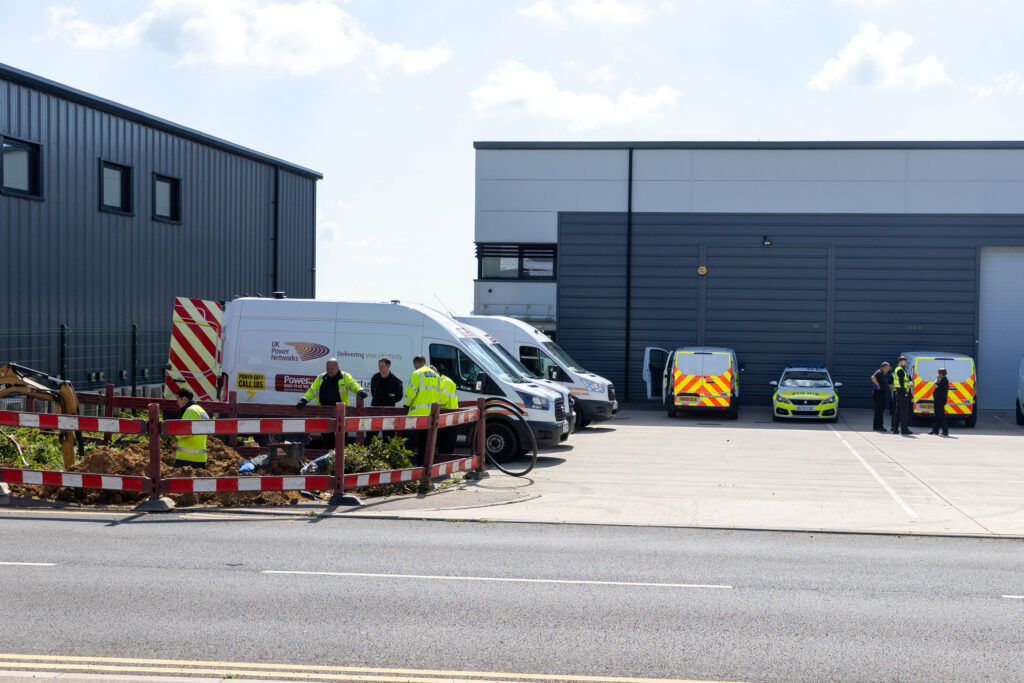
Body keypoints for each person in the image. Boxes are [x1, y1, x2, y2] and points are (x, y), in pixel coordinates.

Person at [296, 358, 368, 448]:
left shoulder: (344, 376)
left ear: (337, 367)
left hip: (341, 414)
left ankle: (340, 461)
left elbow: (353, 384)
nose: (329, 371)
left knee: (341, 442)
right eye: (328, 368)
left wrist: (359, 390)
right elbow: (312, 391)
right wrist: (304, 400)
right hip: (325, 414)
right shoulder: (321, 377)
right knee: (327, 441)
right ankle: (329, 461)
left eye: (332, 369)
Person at [403, 355, 443, 465]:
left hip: (416, 415)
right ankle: (422, 471)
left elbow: (410, 393)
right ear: (425, 362)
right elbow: (438, 394)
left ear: (416, 364)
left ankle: (404, 469)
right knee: (424, 446)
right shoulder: (436, 375)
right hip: (430, 416)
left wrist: (407, 404)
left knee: (408, 445)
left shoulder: (417, 373)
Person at [369, 356, 403, 442]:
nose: (380, 368)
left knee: (388, 438)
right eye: (379, 366)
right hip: (375, 411)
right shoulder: (375, 378)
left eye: (382, 366)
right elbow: (373, 392)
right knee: (371, 437)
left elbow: (399, 396)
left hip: (389, 412)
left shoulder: (396, 381)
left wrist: (389, 401)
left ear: (388, 366)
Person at [173, 388, 209, 468]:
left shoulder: (190, 410)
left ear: (184, 399)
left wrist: (175, 432)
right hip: (201, 458)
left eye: (178, 400)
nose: (177, 403)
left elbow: (184, 433)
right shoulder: (202, 411)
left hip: (186, 457)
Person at [433, 365, 460, 455]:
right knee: (444, 443)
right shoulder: (443, 381)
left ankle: (445, 463)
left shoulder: (445, 382)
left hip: (449, 416)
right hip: (447, 416)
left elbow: (442, 399)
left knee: (447, 443)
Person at [891, 356, 913, 435]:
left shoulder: (903, 370)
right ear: (900, 362)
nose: (905, 363)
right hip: (902, 392)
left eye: (905, 361)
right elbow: (901, 382)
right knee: (904, 412)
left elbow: (908, 379)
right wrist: (905, 392)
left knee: (898, 412)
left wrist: (911, 382)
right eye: (904, 361)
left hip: (899, 392)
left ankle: (895, 429)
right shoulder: (900, 370)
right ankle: (904, 430)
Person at [870, 362, 891, 432]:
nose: (888, 370)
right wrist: (878, 385)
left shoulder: (882, 374)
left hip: (881, 394)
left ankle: (876, 426)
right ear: (883, 367)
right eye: (887, 368)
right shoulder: (879, 372)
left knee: (878, 411)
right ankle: (880, 426)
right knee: (879, 410)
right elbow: (873, 377)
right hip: (878, 395)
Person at [929, 367, 950, 437]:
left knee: (941, 416)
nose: (937, 374)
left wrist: (937, 378)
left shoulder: (943, 380)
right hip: (939, 400)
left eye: (938, 373)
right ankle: (935, 430)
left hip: (940, 400)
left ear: (941, 374)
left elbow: (934, 385)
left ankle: (945, 430)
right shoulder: (943, 379)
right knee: (937, 416)